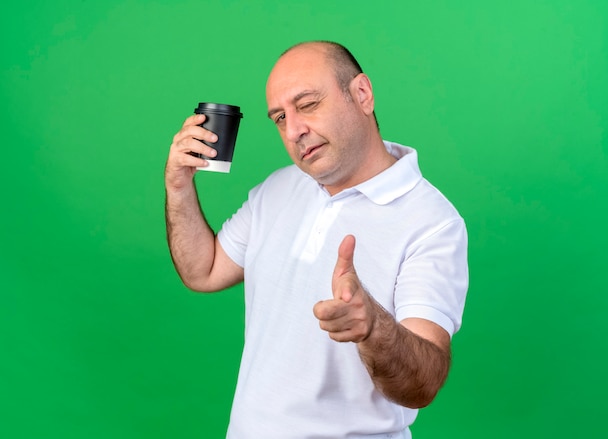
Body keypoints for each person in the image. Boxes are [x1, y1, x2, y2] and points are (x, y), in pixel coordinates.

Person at [165, 41, 468, 439]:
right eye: (279, 117)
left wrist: (373, 326)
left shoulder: (432, 222)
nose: (293, 131)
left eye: (307, 104)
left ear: (361, 94)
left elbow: (422, 385)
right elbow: (203, 271)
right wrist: (178, 186)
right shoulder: (277, 188)